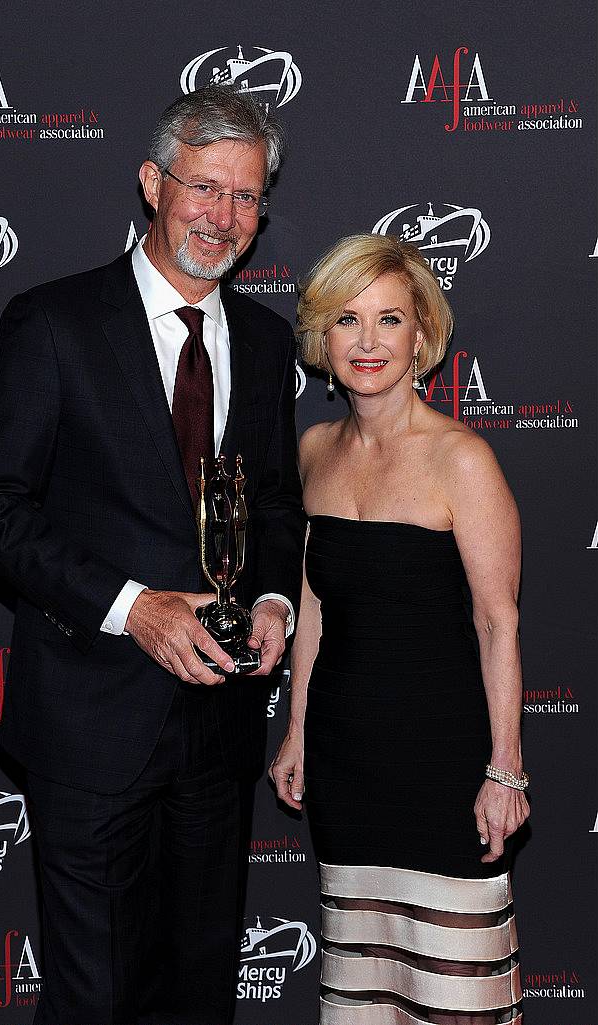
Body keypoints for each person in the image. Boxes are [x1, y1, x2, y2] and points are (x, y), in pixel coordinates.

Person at [0, 85, 306, 1025]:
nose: (223, 217)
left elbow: (274, 502)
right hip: (89, 727)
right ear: (153, 183)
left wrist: (272, 598)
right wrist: (133, 606)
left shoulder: (269, 346)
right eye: (204, 188)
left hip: (219, 734)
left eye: (246, 197)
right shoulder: (55, 323)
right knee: (94, 1001)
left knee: (198, 998)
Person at [270, 234, 529, 1025]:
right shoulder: (313, 451)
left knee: (458, 996)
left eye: (390, 319)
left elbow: (498, 621)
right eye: (348, 320)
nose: (369, 341)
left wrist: (506, 768)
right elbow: (311, 606)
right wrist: (298, 731)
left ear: (422, 334)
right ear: (324, 338)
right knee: (366, 994)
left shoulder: (462, 460)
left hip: (445, 766)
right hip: (348, 767)